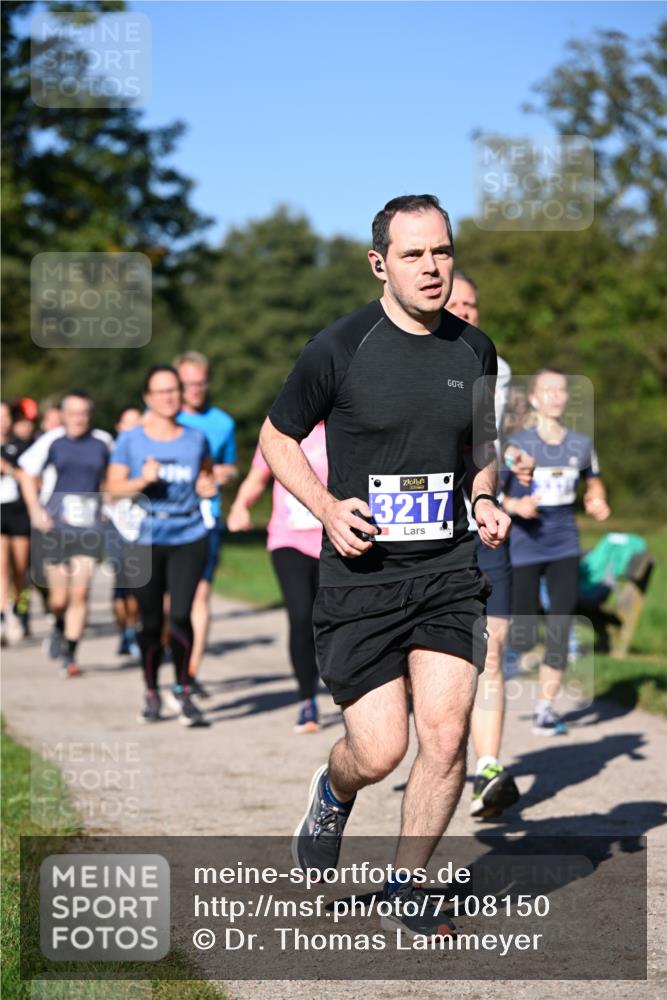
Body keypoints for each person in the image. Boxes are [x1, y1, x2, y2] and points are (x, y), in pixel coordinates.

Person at [259, 194, 510, 939]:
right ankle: (334, 794)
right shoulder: (337, 348)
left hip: (446, 571)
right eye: (413, 255)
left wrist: (486, 498)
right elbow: (276, 440)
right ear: (379, 264)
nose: (432, 269)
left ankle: (408, 882)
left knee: (443, 733)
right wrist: (328, 507)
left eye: (442, 251)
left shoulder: (475, 349)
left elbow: (483, 448)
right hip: (360, 579)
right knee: (378, 750)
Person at [446, 272, 533, 819]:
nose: (466, 312)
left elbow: (515, 437)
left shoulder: (497, 370)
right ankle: (441, 750)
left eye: (473, 304)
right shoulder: (404, 363)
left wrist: (521, 459)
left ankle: (490, 767)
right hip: (430, 533)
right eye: (457, 304)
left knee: (493, 651)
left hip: (487, 524)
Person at [106, 365, 217, 726]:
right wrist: (143, 479)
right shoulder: (131, 440)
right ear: (147, 398)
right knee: (151, 622)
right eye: (161, 391)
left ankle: (183, 690)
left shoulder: (195, 438)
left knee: (182, 615)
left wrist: (207, 487)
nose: (169, 397)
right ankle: (151, 691)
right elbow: (112, 489)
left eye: (174, 390)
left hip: (189, 535)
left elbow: (206, 475)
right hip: (144, 539)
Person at [503, 368, 610, 735]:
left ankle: (545, 708)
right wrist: (515, 508)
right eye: (548, 390)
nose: (556, 396)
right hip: (524, 545)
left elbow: (593, 483)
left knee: (561, 623)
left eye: (562, 390)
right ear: (533, 398)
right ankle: (501, 671)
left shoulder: (580, 444)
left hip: (564, 543)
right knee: (524, 629)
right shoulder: (518, 444)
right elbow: (487, 494)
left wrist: (597, 501)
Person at [228, 421, 327, 732]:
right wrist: (240, 506)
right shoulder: (283, 428)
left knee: (333, 621)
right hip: (289, 539)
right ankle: (307, 700)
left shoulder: (343, 424)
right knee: (300, 617)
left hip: (334, 540)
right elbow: (258, 476)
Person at [18, 392, 110, 677]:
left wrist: (109, 504)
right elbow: (24, 472)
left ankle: (70, 655)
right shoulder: (53, 440)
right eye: (73, 413)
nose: (79, 418)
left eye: (83, 413)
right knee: (59, 598)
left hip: (89, 528)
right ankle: (58, 625)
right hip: (56, 527)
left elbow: (113, 475)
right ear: (65, 414)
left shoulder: (104, 442)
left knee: (80, 593)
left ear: (90, 415)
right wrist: (36, 510)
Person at [174, 351, 237, 698]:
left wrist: (220, 475)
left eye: (200, 383)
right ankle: (173, 662)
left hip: (205, 519)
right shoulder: (159, 422)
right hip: (164, 521)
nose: (195, 390)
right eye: (187, 384)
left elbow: (230, 466)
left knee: (199, 595)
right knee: (170, 603)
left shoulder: (222, 423)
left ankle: (189, 673)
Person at [104, 405, 143, 657]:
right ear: (118, 426)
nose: (132, 428)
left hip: (140, 525)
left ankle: (133, 629)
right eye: (127, 423)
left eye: (137, 423)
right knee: (122, 584)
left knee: (139, 583)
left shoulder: (146, 451)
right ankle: (124, 630)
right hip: (115, 525)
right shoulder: (109, 453)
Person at [1, 401, 32, 643]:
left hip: (19, 512)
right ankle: (4, 615)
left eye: (5, 416)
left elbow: (30, 476)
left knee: (20, 568)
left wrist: (8, 469)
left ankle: (20, 609)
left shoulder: (22, 446)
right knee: (1, 567)